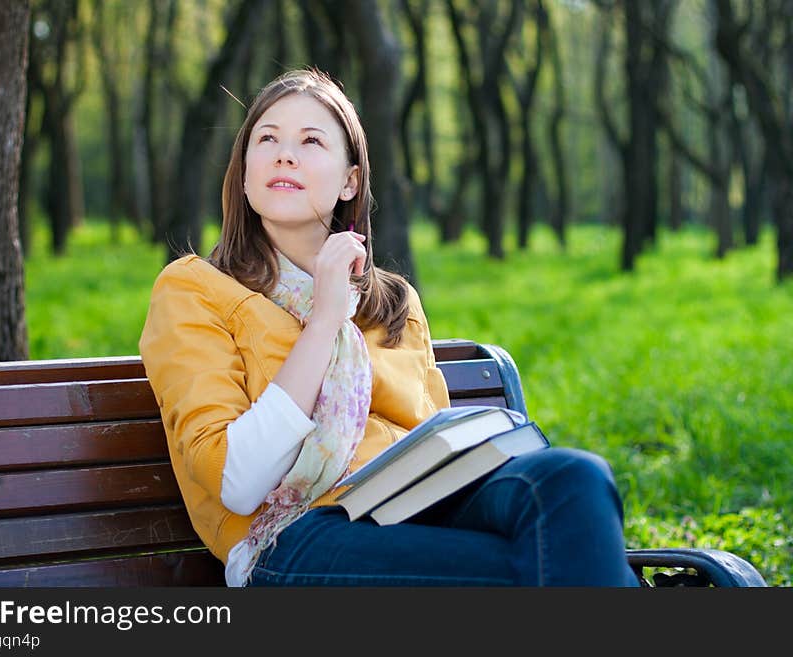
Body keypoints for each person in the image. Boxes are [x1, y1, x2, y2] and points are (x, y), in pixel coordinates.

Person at [139, 68, 641, 587]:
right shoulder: (195, 289)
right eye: (267, 139)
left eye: (311, 141)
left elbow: (437, 443)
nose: (285, 154)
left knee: (572, 480)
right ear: (244, 174)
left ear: (350, 180)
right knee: (534, 568)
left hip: (418, 505)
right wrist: (325, 319)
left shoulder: (392, 303)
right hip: (293, 538)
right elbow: (237, 483)